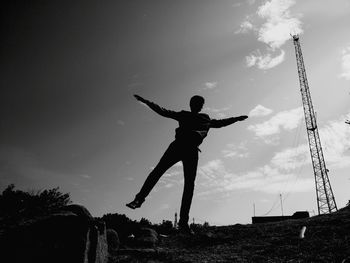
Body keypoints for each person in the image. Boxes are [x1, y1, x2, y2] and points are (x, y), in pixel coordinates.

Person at [126, 94, 248, 234]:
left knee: (189, 185)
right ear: (191, 104)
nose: (197, 105)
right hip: (177, 146)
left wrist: (236, 119)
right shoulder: (183, 115)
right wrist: (146, 101)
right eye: (195, 103)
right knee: (157, 172)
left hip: (191, 150)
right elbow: (163, 111)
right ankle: (138, 199)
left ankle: (183, 223)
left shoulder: (205, 118)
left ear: (201, 106)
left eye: (199, 103)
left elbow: (221, 123)